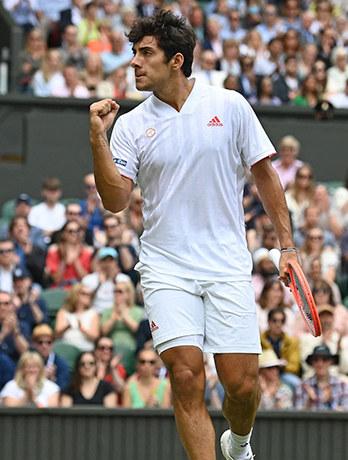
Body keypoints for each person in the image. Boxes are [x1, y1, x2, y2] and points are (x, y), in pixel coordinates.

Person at [90, 11, 296, 460]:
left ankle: (238, 444)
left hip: (226, 266)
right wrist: (98, 140)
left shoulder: (231, 105)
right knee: (185, 377)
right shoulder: (128, 125)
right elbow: (115, 200)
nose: (135, 64)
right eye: (134, 54)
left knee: (242, 387)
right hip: (167, 268)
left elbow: (265, 174)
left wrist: (288, 247)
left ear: (177, 60)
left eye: (146, 54)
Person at [295, 345, 348, 411]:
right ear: (312, 363)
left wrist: (330, 403)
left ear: (331, 362)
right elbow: (296, 417)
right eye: (315, 360)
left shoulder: (343, 386)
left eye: (325, 359)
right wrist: (309, 404)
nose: (320, 364)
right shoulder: (303, 386)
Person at [0, 291, 31, 362]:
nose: (2, 307)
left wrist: (16, 332)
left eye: (6, 304)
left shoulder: (23, 326)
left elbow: (26, 353)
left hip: (17, 367)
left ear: (12, 306)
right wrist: (3, 334)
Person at [260, 308, 301, 391]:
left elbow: (294, 367)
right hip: (262, 374)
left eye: (282, 321)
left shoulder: (292, 342)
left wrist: (280, 366)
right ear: (268, 321)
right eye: (274, 320)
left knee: (297, 383)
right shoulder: (258, 341)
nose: (278, 324)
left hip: (283, 374)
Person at [82, 247, 131, 314]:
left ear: (116, 262)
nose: (108, 264)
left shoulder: (124, 279)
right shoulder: (89, 279)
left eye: (111, 260)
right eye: (105, 260)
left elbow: (129, 300)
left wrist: (115, 281)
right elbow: (84, 301)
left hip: (116, 313)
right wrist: (99, 284)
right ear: (99, 262)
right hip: (95, 313)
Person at [54, 283, 99, 352]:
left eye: (89, 294)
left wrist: (82, 328)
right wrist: (67, 326)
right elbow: (57, 333)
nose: (87, 296)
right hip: (67, 348)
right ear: (76, 294)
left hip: (85, 349)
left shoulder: (93, 313)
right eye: (84, 294)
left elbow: (94, 336)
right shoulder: (63, 312)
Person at [100, 280, 143, 351]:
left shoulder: (137, 311)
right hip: (111, 348)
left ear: (128, 294)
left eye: (120, 291)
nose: (116, 294)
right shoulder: (107, 311)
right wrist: (114, 317)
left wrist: (124, 315)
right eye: (115, 291)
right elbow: (104, 331)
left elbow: (138, 330)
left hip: (131, 348)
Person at [30, 324, 70, 390]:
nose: (44, 346)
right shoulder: (28, 361)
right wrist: (41, 376)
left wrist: (52, 379)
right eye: (40, 342)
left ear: (53, 343)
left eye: (48, 342)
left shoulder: (61, 363)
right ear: (34, 343)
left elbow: (63, 389)